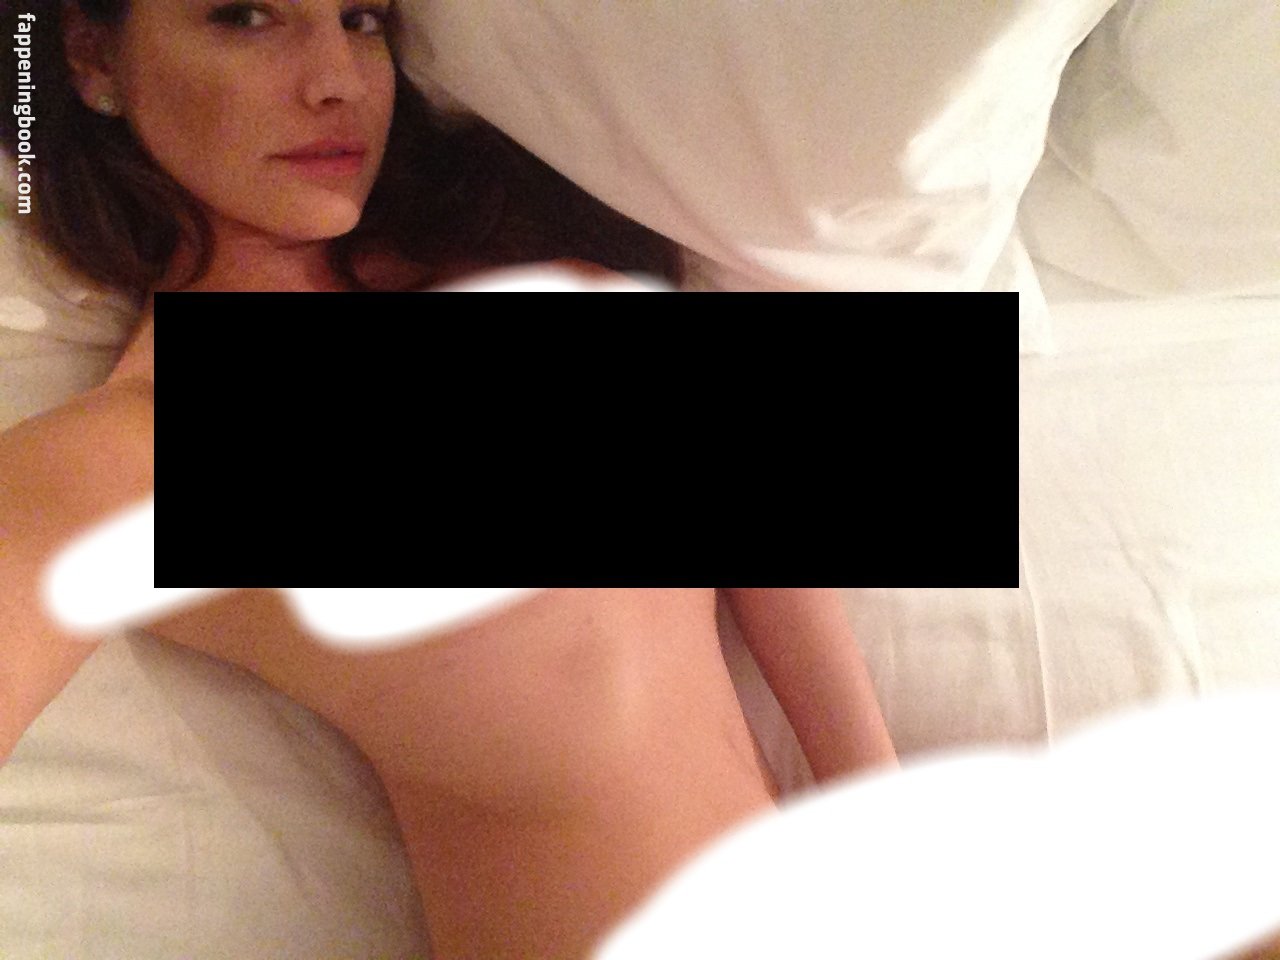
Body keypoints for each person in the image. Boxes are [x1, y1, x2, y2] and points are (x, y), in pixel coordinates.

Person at [0, 2, 896, 957]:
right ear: (92, 56)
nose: (336, 81)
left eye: (360, 19)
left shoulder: (507, 252)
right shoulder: (127, 453)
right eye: (247, 17)